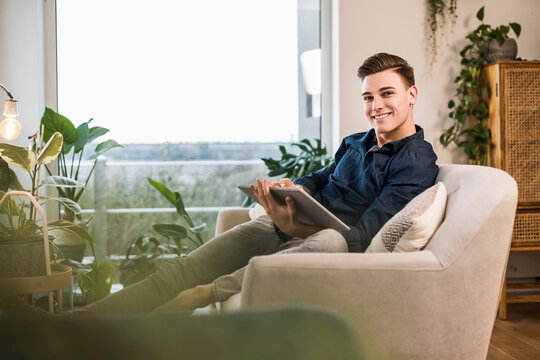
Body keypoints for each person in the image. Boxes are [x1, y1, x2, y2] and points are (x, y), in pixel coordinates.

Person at [80, 52, 439, 314]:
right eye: (368, 97)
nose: (376, 105)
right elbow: (319, 178)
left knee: (329, 241)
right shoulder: (356, 142)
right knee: (182, 267)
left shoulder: (415, 160)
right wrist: (293, 191)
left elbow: (362, 239)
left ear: (412, 95)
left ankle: (205, 293)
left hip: (325, 242)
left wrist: (295, 227)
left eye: (387, 93)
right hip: (288, 227)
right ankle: (77, 322)